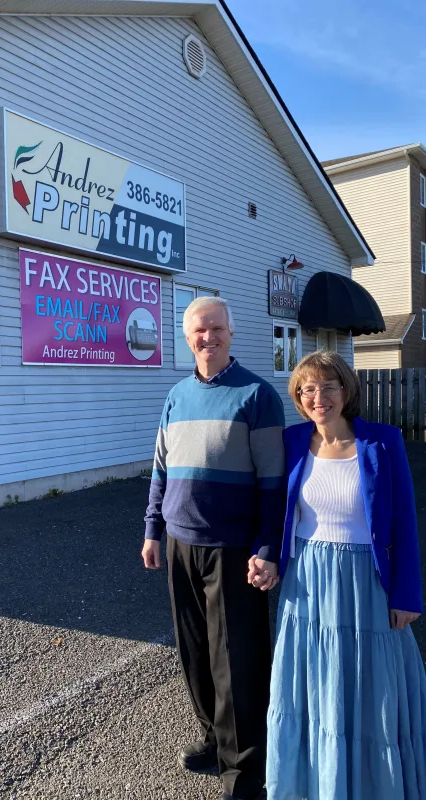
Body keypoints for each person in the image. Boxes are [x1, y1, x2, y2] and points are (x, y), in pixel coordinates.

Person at [249, 350, 426, 800]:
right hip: (307, 582)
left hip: (366, 581)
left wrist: (406, 594)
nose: (318, 396)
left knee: (372, 688)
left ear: (346, 391)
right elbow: (275, 511)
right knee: (309, 689)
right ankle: (312, 784)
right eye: (307, 388)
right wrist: (265, 555)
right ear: (298, 397)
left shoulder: (383, 441)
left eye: (328, 386)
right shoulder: (291, 442)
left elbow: (404, 521)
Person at [142, 296, 286, 800]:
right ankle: (213, 737)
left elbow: (273, 482)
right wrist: (152, 530)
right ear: (188, 338)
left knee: (237, 661)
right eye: (199, 331)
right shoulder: (176, 396)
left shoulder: (257, 396)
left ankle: (246, 770)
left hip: (233, 549)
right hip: (181, 543)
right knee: (195, 652)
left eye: (217, 329)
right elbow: (160, 469)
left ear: (231, 332)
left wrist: (268, 546)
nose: (209, 338)